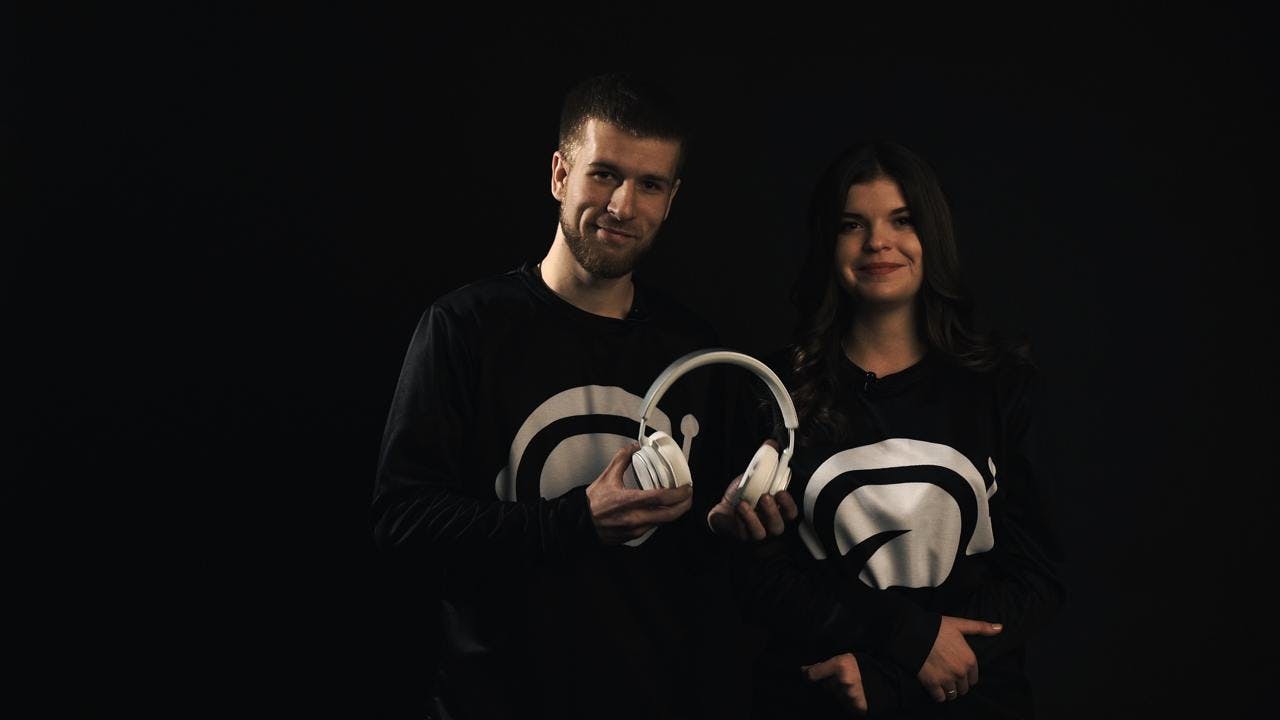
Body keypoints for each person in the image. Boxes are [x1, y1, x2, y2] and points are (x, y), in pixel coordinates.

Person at [370, 72, 747, 719]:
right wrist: (577, 519)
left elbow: (705, 558)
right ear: (559, 174)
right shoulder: (465, 327)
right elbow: (402, 521)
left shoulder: (696, 352)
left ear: (671, 199)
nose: (623, 206)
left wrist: (734, 524)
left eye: (649, 184)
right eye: (604, 175)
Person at [709, 140, 1066, 717]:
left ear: (933, 234)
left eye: (902, 220)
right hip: (819, 699)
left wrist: (889, 677)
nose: (877, 242)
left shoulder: (1000, 386)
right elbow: (761, 581)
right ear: (828, 242)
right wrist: (908, 637)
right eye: (852, 224)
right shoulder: (770, 389)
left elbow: (1037, 578)